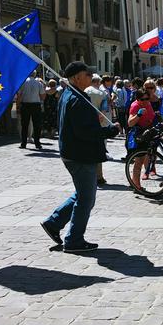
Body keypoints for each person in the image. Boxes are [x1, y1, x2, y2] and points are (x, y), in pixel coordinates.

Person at [40, 62, 120, 252]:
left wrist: (95, 121)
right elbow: (84, 132)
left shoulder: (72, 95)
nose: (90, 77)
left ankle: (54, 223)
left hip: (73, 152)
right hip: (80, 154)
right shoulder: (76, 99)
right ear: (76, 77)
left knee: (82, 193)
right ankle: (74, 240)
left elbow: (78, 125)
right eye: (87, 74)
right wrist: (109, 131)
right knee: (86, 199)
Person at [127, 89, 155, 190]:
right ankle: (136, 186)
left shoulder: (148, 103)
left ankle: (146, 174)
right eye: (143, 99)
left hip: (148, 133)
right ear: (137, 99)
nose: (146, 101)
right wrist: (138, 115)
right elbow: (130, 123)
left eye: (147, 99)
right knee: (138, 161)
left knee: (147, 157)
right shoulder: (135, 106)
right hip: (140, 136)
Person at [85, 75, 109, 186]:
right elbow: (103, 111)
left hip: (85, 124)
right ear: (98, 82)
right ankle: (99, 177)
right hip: (98, 125)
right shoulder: (102, 94)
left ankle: (87, 175)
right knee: (98, 150)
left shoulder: (84, 91)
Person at [16, 69, 45, 149]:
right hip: (35, 105)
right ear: (35, 74)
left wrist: (18, 106)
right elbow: (43, 96)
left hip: (25, 105)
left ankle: (23, 143)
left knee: (24, 125)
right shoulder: (39, 83)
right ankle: (37, 143)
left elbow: (19, 96)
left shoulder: (23, 82)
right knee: (37, 125)